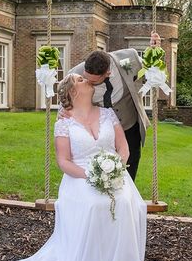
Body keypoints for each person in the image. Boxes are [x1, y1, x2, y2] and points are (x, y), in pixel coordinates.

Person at [0, 73, 152, 261]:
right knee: (93, 203)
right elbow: (64, 162)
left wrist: (117, 168)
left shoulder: (108, 114)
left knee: (127, 201)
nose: (85, 81)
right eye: (79, 80)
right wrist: (91, 176)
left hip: (114, 172)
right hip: (80, 176)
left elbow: (123, 148)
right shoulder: (64, 122)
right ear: (72, 92)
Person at [68, 32, 161, 181]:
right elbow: (65, 99)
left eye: (93, 82)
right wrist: (64, 111)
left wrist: (154, 51)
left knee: (127, 176)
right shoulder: (75, 75)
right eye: (86, 79)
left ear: (107, 73)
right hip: (100, 134)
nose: (87, 82)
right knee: (99, 174)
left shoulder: (130, 58)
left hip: (130, 127)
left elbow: (152, 73)